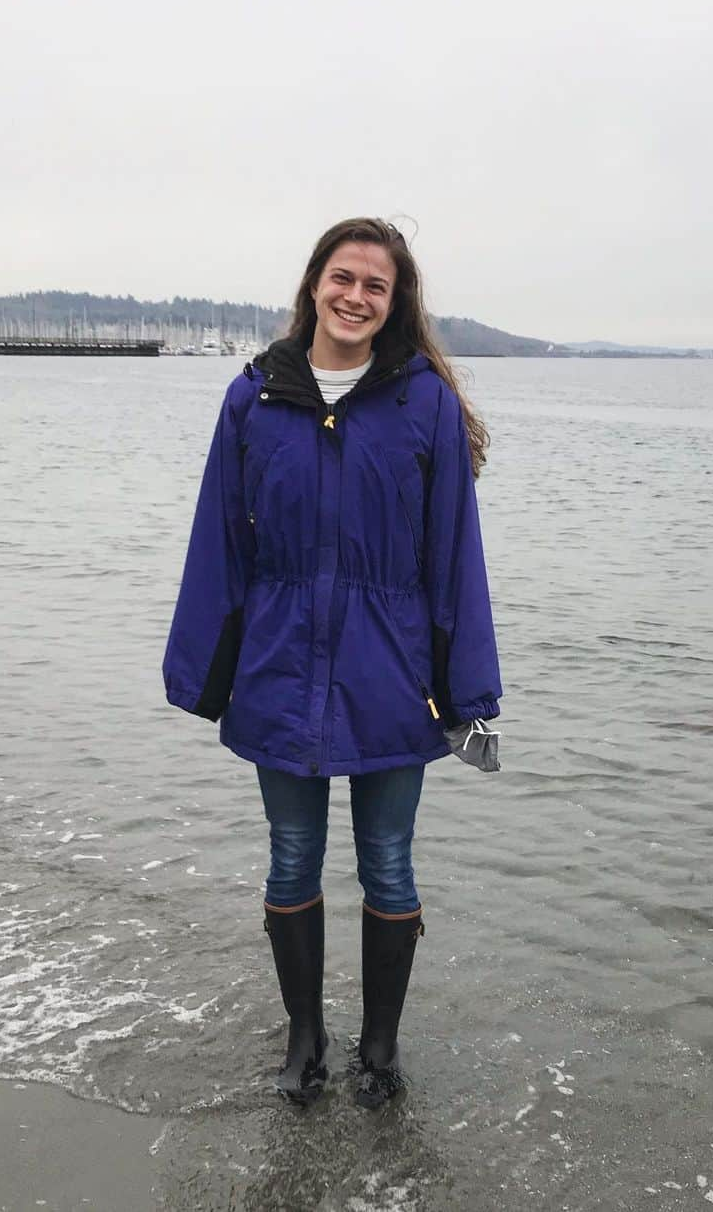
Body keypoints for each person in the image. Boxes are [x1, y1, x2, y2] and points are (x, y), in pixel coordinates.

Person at [163, 217, 502, 1109]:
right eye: (342, 278)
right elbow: (217, 545)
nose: (355, 297)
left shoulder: (420, 400)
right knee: (290, 858)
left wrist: (465, 693)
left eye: (375, 287)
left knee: (388, 860)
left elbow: (453, 555)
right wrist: (205, 671)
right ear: (315, 283)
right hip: (281, 666)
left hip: (392, 671)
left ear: (395, 304)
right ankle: (305, 1037)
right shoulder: (252, 397)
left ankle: (380, 1050)